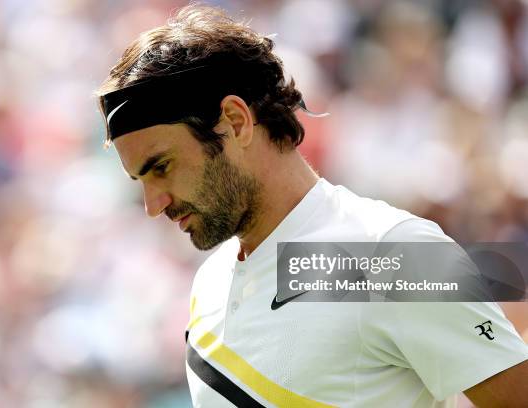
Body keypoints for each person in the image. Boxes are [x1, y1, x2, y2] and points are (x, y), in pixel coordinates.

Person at [96, 4, 528, 407]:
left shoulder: (391, 256)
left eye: (162, 167)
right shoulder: (209, 282)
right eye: (141, 180)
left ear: (236, 121)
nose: (153, 205)